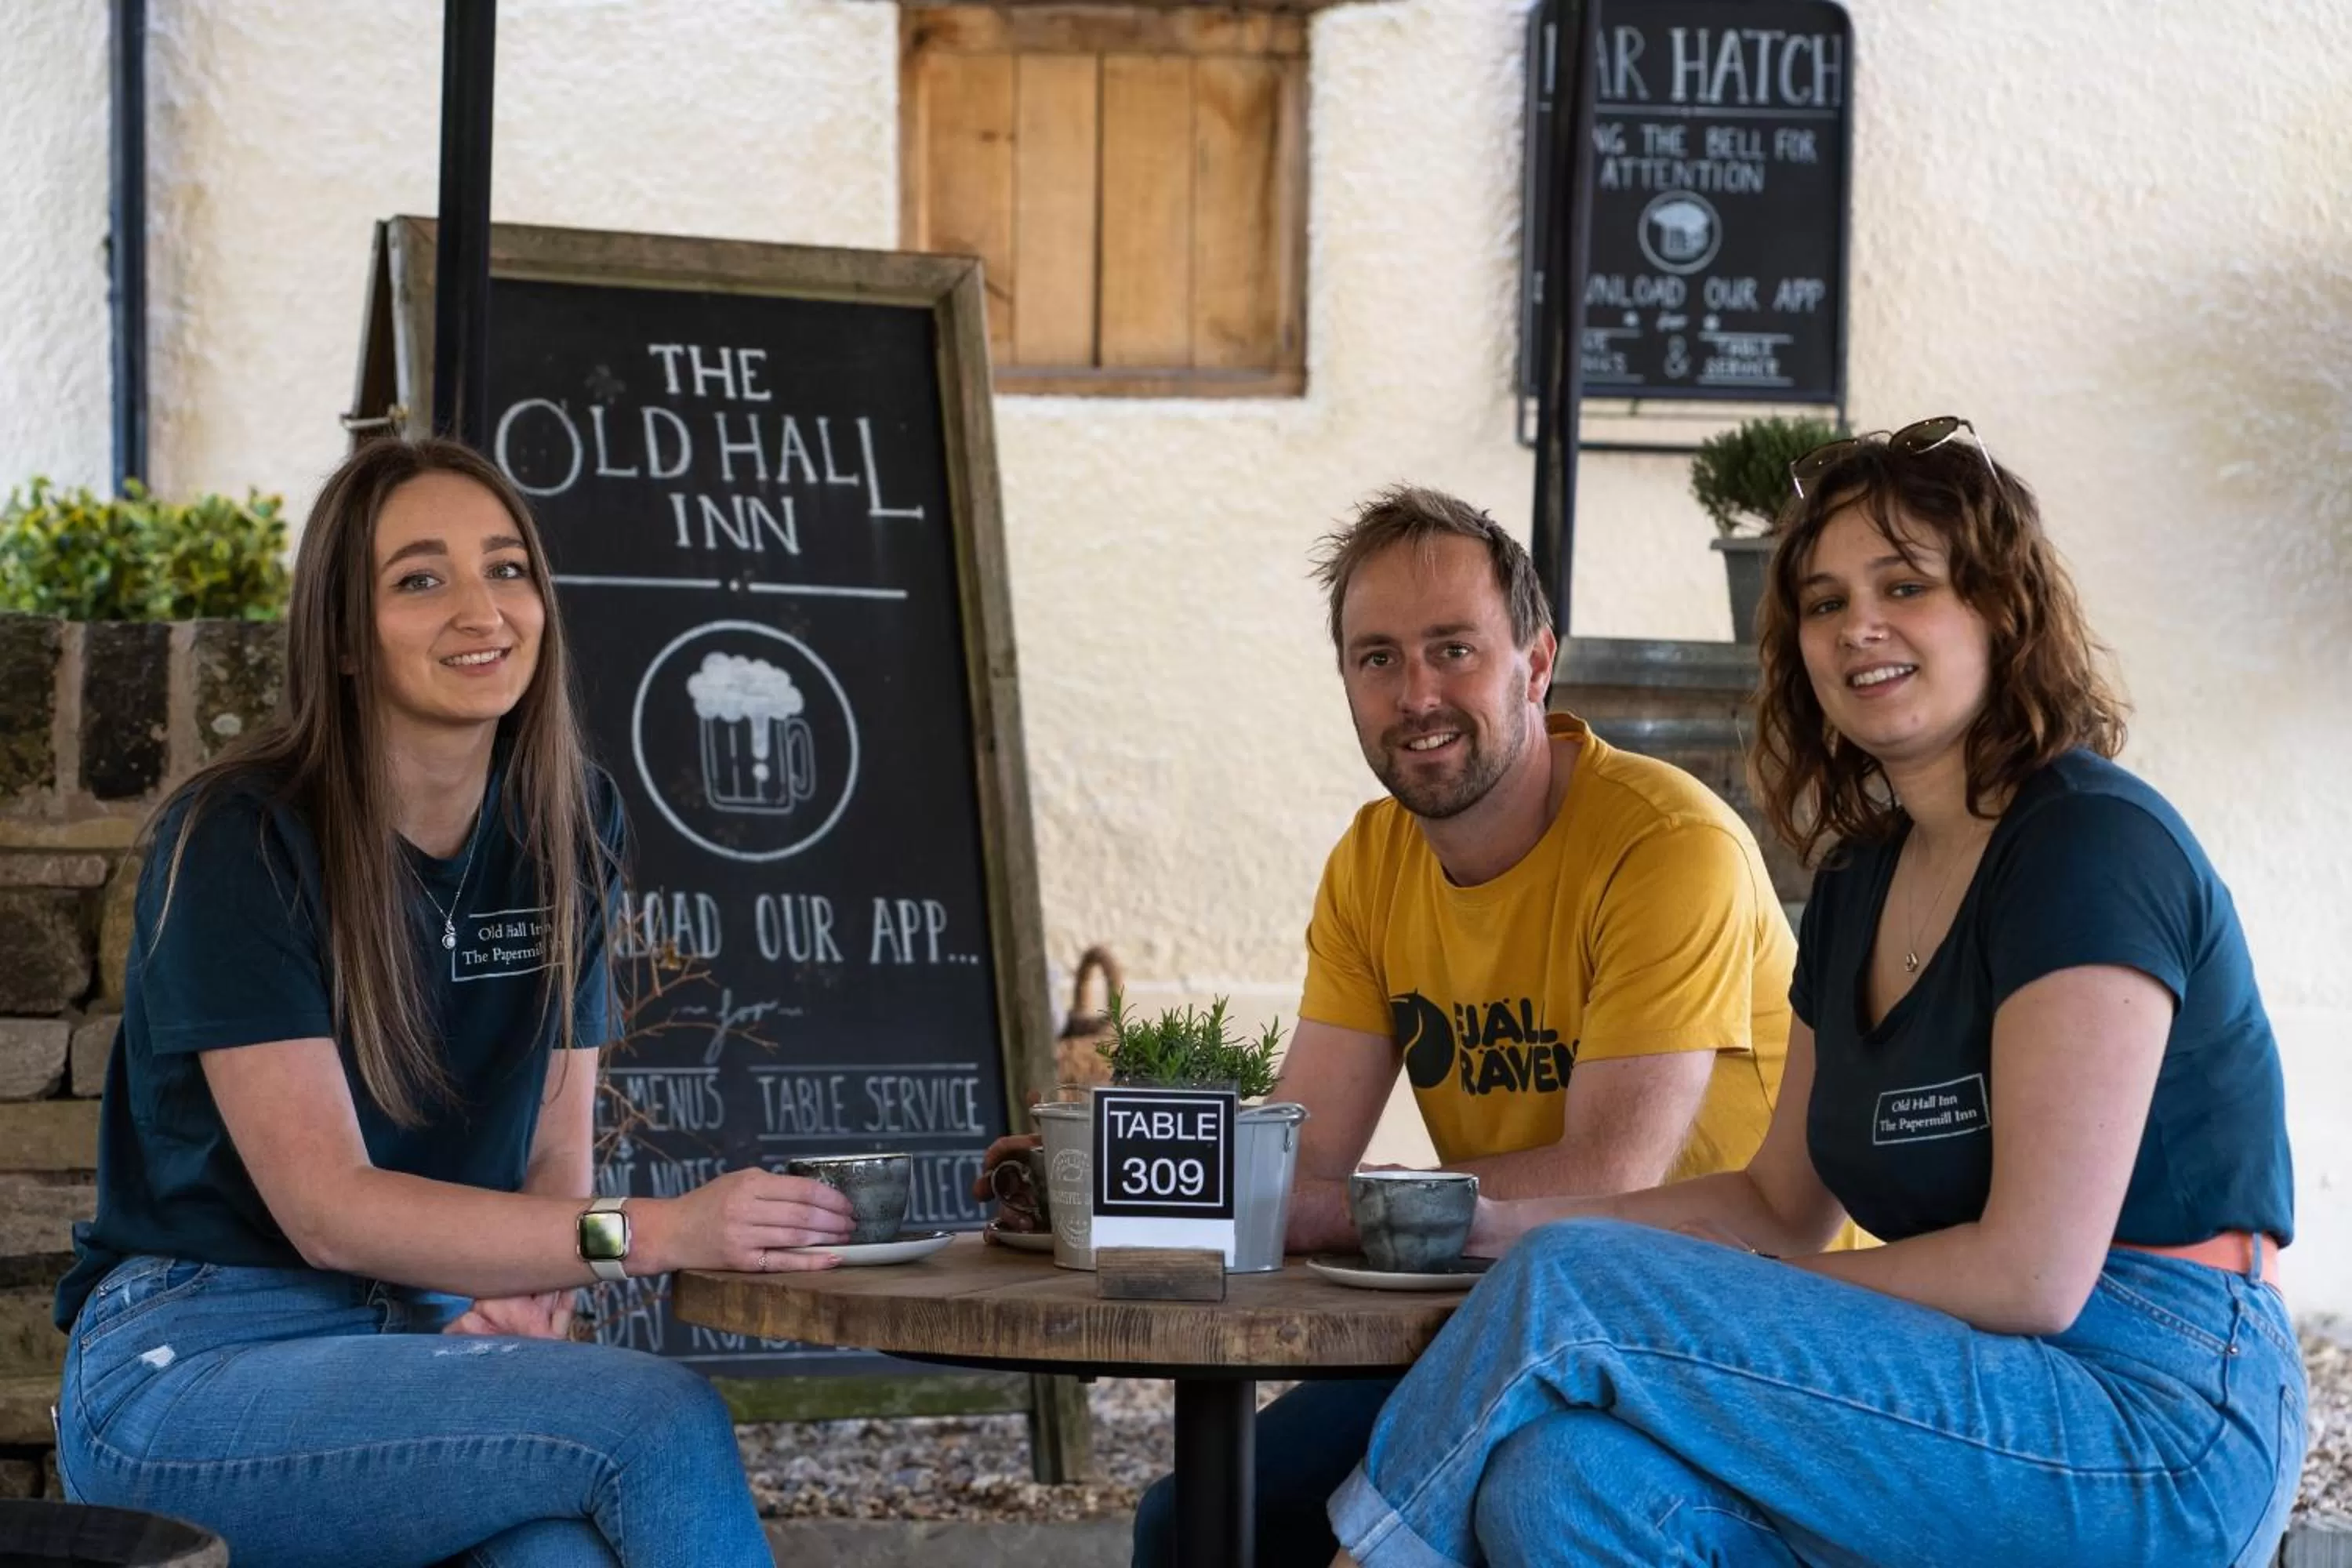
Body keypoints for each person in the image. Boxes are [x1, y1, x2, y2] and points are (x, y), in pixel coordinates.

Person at [1327, 419, 2306, 1568]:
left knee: (1578, 1284)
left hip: (2158, 1407)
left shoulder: (2089, 846)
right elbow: (1772, 1205)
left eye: (1905, 586)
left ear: (2002, 609)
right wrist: (1490, 1226)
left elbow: (2032, 1275)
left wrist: (1717, 1303)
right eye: (1825, 602)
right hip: (1963, 1385)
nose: (1858, 627)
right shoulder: (1857, 882)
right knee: (1562, 1484)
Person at [52, 437, 858, 1568]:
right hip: (193, 1363)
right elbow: (328, 1209)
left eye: (507, 568)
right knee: (657, 1419)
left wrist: (536, 1287)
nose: (482, 611)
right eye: (421, 579)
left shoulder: (569, 820)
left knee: (554, 1556)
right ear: (343, 636)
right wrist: (660, 1233)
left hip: (420, 1337)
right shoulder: (242, 837)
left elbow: (554, 1151)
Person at [986, 485, 1808, 1566]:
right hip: (1499, 1313)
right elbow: (1306, 1156)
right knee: (1190, 1525)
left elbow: (1609, 1176)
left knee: (1448, 1518)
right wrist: (1103, 1176)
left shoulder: (1664, 845)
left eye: (1453, 650)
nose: (1417, 695)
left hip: (1715, 1340)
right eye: (1377, 658)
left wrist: (1318, 1208)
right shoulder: (1374, 860)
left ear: (1536, 664)